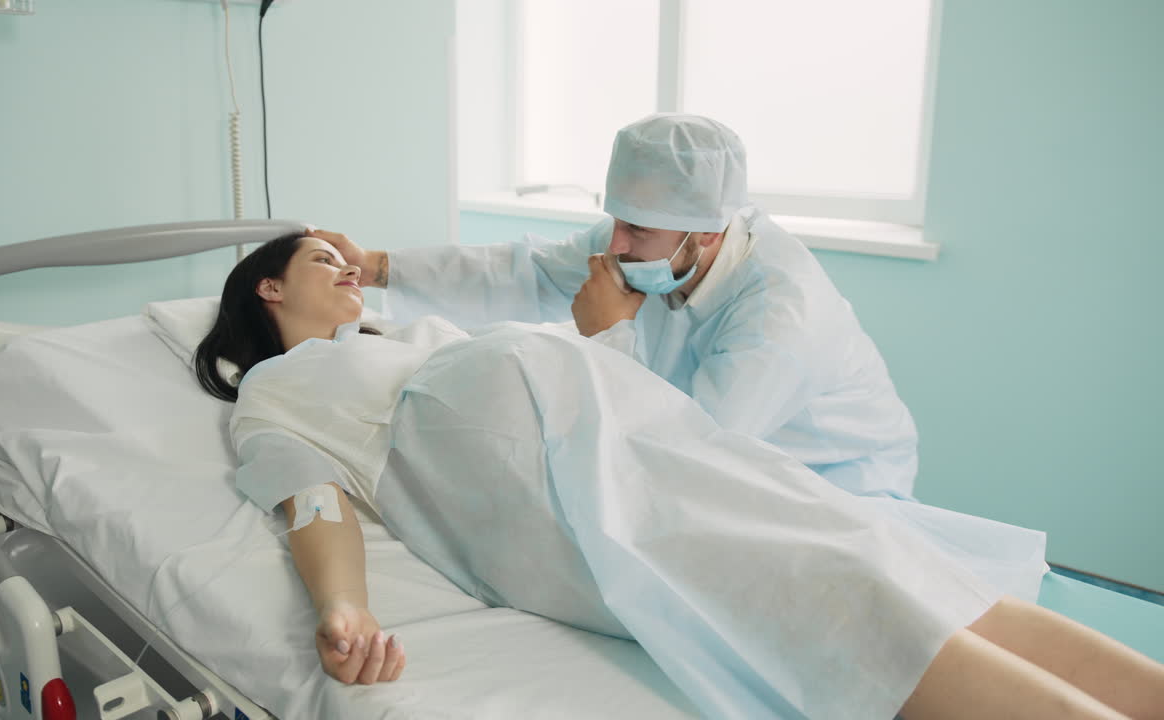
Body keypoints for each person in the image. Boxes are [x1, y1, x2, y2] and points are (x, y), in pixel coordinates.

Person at [194, 233, 1164, 719]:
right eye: (323, 259)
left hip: (626, 429)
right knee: (823, 588)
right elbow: (309, 496)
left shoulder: (408, 334)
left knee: (875, 547)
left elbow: (512, 280)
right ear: (266, 288)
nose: (349, 267)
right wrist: (344, 608)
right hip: (532, 483)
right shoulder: (276, 389)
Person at [315, 114, 920, 500]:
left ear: (708, 233)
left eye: (639, 231)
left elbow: (695, 451)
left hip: (835, 490)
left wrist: (610, 336)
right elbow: (524, 270)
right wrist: (377, 265)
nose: (617, 246)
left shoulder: (781, 317)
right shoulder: (646, 243)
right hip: (712, 474)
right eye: (616, 221)